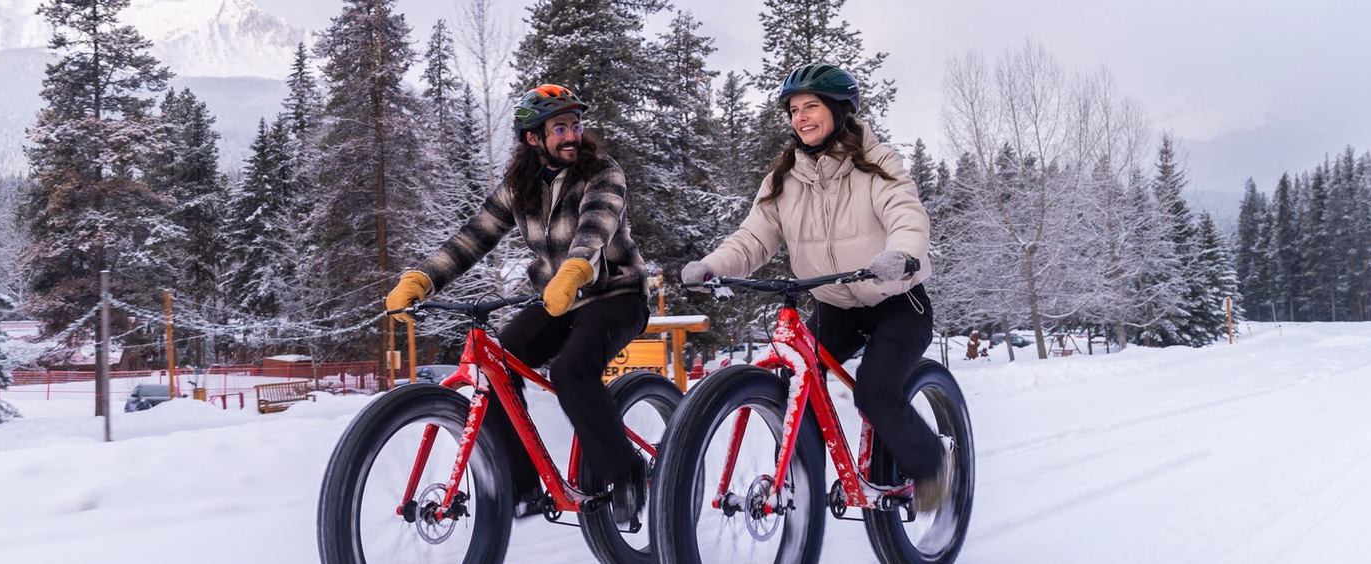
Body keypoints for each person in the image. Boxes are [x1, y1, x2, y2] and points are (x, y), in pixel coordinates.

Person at [678, 63, 953, 511]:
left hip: (897, 300)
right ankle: (799, 487)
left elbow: (907, 217)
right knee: (793, 385)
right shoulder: (784, 179)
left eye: (811, 106)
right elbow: (754, 237)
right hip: (834, 304)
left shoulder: (878, 163)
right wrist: (712, 266)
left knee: (874, 390)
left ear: (840, 110)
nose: (800, 117)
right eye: (793, 109)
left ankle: (932, 467)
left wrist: (901, 256)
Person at [384, 84, 651, 523]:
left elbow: (595, 227)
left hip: (615, 294)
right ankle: (524, 485)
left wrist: (575, 270)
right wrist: (423, 278)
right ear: (533, 138)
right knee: (498, 368)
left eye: (576, 125)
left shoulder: (602, 172)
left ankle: (625, 474)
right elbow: (474, 238)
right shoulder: (520, 186)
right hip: (557, 300)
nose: (572, 135)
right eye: (560, 127)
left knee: (571, 370)